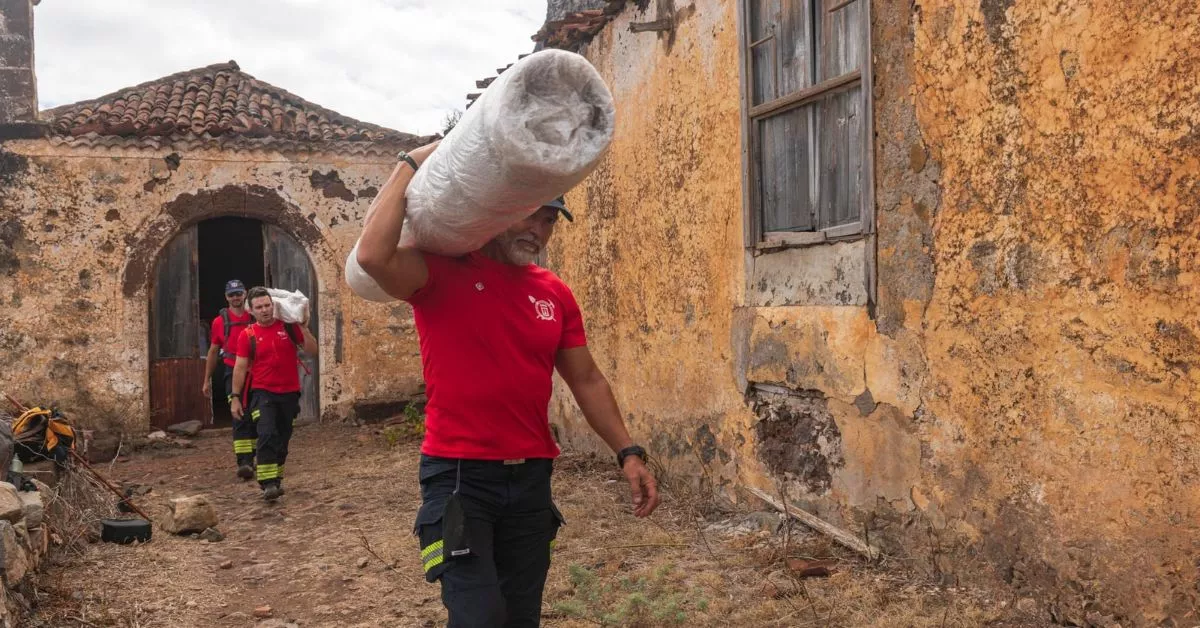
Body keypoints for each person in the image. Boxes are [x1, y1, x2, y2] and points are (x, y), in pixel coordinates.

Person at [355, 141, 660, 627]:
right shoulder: (441, 271)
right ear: (499, 210)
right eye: (530, 216)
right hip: (458, 479)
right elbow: (372, 256)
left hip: (532, 480)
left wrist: (628, 451)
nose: (539, 231)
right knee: (480, 617)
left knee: (520, 618)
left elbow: (585, 378)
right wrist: (411, 162)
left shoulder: (553, 292)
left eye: (549, 222)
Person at [229, 286, 318, 501]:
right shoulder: (247, 335)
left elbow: (312, 351)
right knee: (266, 433)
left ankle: (276, 479)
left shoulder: (289, 328)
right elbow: (240, 367)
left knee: (282, 437)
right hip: (262, 393)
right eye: (259, 307)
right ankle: (268, 484)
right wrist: (236, 398)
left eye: (268, 305)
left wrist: (304, 328)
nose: (265, 310)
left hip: (289, 393)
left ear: (274, 306)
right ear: (251, 310)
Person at [202, 279, 256, 480]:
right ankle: (244, 461)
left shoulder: (255, 315)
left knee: (257, 416)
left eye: (239, 294)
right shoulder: (219, 322)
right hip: (232, 373)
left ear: (245, 294)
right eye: (232, 295)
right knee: (239, 416)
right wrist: (207, 379)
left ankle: (256, 455)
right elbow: (214, 351)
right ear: (226, 297)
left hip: (257, 372)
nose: (236, 298)